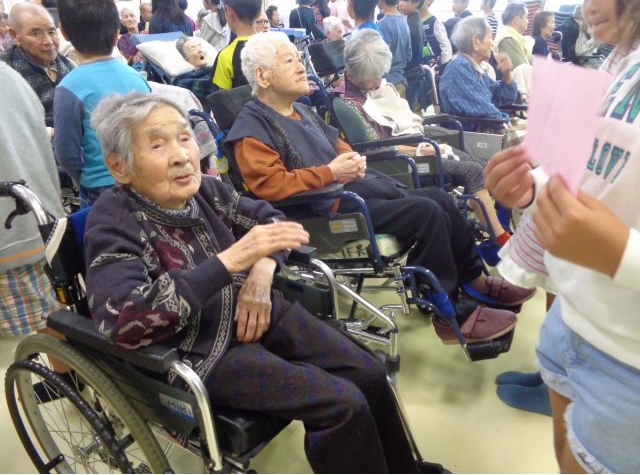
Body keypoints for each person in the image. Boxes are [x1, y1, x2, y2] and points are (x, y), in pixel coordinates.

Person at [87, 90, 428, 474]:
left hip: (256, 307)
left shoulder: (208, 190)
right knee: (341, 404)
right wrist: (232, 260)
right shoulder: (114, 221)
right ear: (120, 167)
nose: (182, 155)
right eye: (157, 145)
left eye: (184, 137)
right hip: (200, 349)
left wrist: (261, 275)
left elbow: (272, 220)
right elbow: (123, 321)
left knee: (369, 371)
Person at [229, 31, 536, 344]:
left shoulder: (302, 110)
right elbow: (270, 186)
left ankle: (475, 281)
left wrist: (350, 160)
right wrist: (330, 172)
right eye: (289, 60)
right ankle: (449, 313)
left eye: (299, 58)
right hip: (322, 211)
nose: (300, 66)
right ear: (263, 76)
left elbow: (337, 143)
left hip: (353, 189)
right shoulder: (252, 130)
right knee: (426, 212)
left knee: (440, 199)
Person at [484, 0, 640, 472]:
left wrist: (622, 254)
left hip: (628, 358)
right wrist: (532, 191)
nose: (589, 6)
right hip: (574, 315)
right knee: (565, 456)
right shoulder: (623, 60)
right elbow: (598, 174)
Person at [335, 29, 511, 243]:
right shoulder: (349, 105)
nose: (378, 80)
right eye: (372, 78)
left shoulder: (378, 87)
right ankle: (500, 240)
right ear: (352, 76)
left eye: (379, 74)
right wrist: (421, 149)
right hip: (398, 162)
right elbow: (377, 148)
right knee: (472, 171)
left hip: (418, 143)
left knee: (484, 167)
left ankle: (504, 226)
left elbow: (404, 118)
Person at [53, 0, 150, 209]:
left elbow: (65, 152)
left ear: (64, 33)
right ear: (117, 34)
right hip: (142, 178)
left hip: (98, 186)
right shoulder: (137, 78)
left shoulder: (68, 88)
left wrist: (83, 176)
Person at [0, 59, 65, 338]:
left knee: (47, 331)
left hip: (14, 238)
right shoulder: (11, 75)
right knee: (56, 324)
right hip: (43, 221)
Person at [0, 3, 74, 132]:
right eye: (36, 33)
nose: (49, 41)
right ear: (14, 36)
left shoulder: (68, 64)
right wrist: (50, 132)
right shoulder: (6, 75)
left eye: (51, 32)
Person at [440, 17, 517, 127]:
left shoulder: (475, 68)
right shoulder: (459, 68)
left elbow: (503, 98)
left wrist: (507, 75)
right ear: (476, 41)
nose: (492, 43)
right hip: (473, 132)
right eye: (490, 37)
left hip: (487, 129)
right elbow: (483, 109)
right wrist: (507, 122)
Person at [210, 0, 261, 91]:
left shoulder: (225, 56)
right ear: (259, 13)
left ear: (229, 11)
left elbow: (225, 97)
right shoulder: (277, 46)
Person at [377, 0, 411, 97]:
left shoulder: (382, 24)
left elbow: (381, 60)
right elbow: (408, 56)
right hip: (402, 80)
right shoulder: (404, 20)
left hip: (388, 85)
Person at [398, 0, 424, 111]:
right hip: (414, 72)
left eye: (405, 0)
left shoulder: (410, 24)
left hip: (410, 74)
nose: (400, 4)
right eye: (400, 0)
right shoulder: (415, 20)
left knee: (406, 111)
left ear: (417, 2)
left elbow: (405, 54)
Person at [493, 2, 531, 70]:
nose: (528, 21)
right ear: (517, 20)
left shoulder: (513, 35)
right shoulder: (507, 39)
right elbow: (523, 69)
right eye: (526, 17)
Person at [419, 0, 452, 65]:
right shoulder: (410, 21)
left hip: (430, 65)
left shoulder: (435, 22)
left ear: (429, 0)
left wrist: (444, 66)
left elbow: (445, 47)